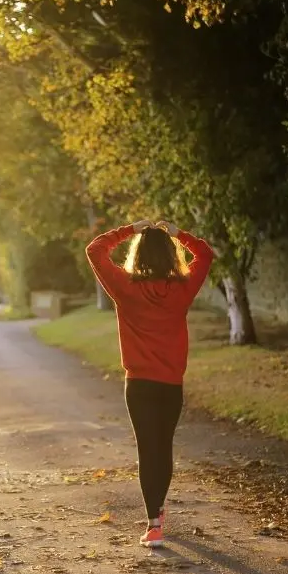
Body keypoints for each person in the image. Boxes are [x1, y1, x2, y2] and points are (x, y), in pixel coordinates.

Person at [85, 219, 215, 548]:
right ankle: (158, 512)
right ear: (171, 256)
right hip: (170, 385)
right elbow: (205, 254)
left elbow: (95, 250)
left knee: (148, 449)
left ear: (138, 255)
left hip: (139, 385)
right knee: (164, 447)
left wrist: (131, 229)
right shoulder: (182, 289)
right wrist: (178, 233)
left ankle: (154, 523)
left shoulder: (125, 288)